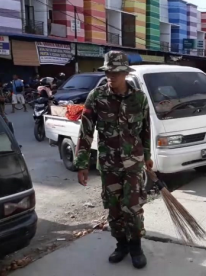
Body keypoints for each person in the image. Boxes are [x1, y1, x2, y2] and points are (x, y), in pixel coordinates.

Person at [74, 51, 152, 269]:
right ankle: (121, 245)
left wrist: (148, 157)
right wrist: (81, 164)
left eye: (116, 72)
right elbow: (85, 132)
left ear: (126, 73)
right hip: (109, 165)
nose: (111, 76)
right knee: (115, 208)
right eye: (108, 71)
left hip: (134, 164)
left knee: (133, 207)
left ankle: (135, 246)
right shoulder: (96, 97)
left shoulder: (139, 98)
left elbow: (146, 130)